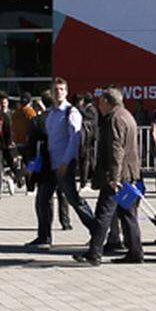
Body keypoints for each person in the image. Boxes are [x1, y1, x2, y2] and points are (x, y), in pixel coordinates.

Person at [74, 87, 143, 266]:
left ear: (106, 101)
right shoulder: (127, 115)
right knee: (128, 214)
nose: (99, 106)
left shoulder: (115, 119)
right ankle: (135, 252)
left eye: (100, 101)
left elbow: (116, 150)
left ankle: (94, 253)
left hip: (117, 176)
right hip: (129, 173)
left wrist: (114, 177)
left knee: (103, 213)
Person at [30, 79, 96, 248]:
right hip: (50, 164)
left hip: (64, 164)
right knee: (42, 199)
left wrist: (66, 162)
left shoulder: (71, 112)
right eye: (55, 90)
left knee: (73, 199)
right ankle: (44, 236)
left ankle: (97, 231)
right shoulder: (51, 114)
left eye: (61, 89)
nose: (58, 92)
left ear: (66, 92)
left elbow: (74, 139)